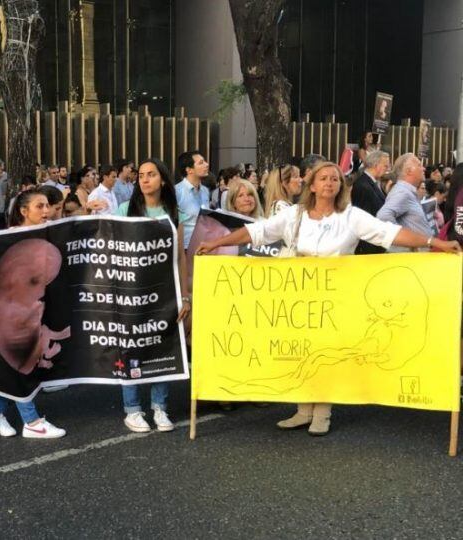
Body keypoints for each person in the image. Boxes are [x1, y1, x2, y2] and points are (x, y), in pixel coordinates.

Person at [196, 161, 461, 436]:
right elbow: (257, 232)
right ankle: (302, 410)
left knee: (325, 354)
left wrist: (434, 243)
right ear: (312, 185)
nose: (329, 183)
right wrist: (217, 243)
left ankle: (322, 413)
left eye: (335, 179)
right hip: (299, 295)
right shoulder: (294, 215)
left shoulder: (351, 216)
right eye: (323, 178)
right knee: (302, 351)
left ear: (340, 186)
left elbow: (388, 233)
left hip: (337, 297)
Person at [115, 158, 191, 433]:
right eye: (141, 175)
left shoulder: (174, 212)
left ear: (162, 180)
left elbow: (180, 258)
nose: (144, 179)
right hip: (132, 293)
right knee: (131, 348)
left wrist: (184, 297)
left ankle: (160, 407)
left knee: (163, 347)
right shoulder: (125, 209)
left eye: (151, 174)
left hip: (164, 292)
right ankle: (133, 410)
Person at [0, 190, 67, 439]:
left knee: (14, 368)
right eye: (39, 206)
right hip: (11, 315)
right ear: (23, 211)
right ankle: (31, 421)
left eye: (47, 206)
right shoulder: (9, 238)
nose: (46, 211)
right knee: (21, 365)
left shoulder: (48, 231)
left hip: (33, 310)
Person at [377, 153, 434, 247]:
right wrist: (405, 239)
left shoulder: (406, 191)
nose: (423, 168)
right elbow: (383, 216)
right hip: (411, 257)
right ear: (409, 171)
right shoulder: (402, 192)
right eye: (419, 165)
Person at [351, 150, 390, 254]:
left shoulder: (373, 183)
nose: (387, 169)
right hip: (368, 247)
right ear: (376, 165)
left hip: (377, 242)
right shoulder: (362, 186)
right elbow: (363, 220)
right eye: (385, 166)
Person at [175, 151, 211, 249]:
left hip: (204, 246)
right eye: (201, 162)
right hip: (185, 247)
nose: (207, 164)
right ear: (189, 170)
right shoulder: (177, 192)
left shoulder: (205, 191)